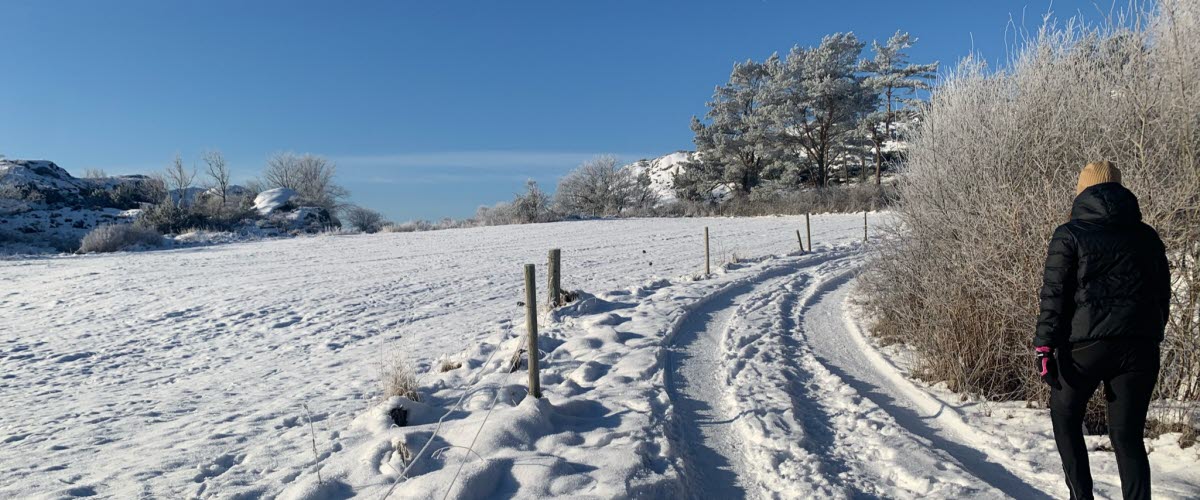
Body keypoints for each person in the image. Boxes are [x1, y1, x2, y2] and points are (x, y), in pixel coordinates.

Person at [1033, 161, 1171, 500]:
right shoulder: (1147, 236)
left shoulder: (1069, 234)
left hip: (1084, 348)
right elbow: (1162, 293)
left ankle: (1081, 497)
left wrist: (1044, 347)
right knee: (1127, 437)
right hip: (1139, 348)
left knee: (1065, 417)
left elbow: (1055, 295)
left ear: (1083, 191)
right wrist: (1151, 333)